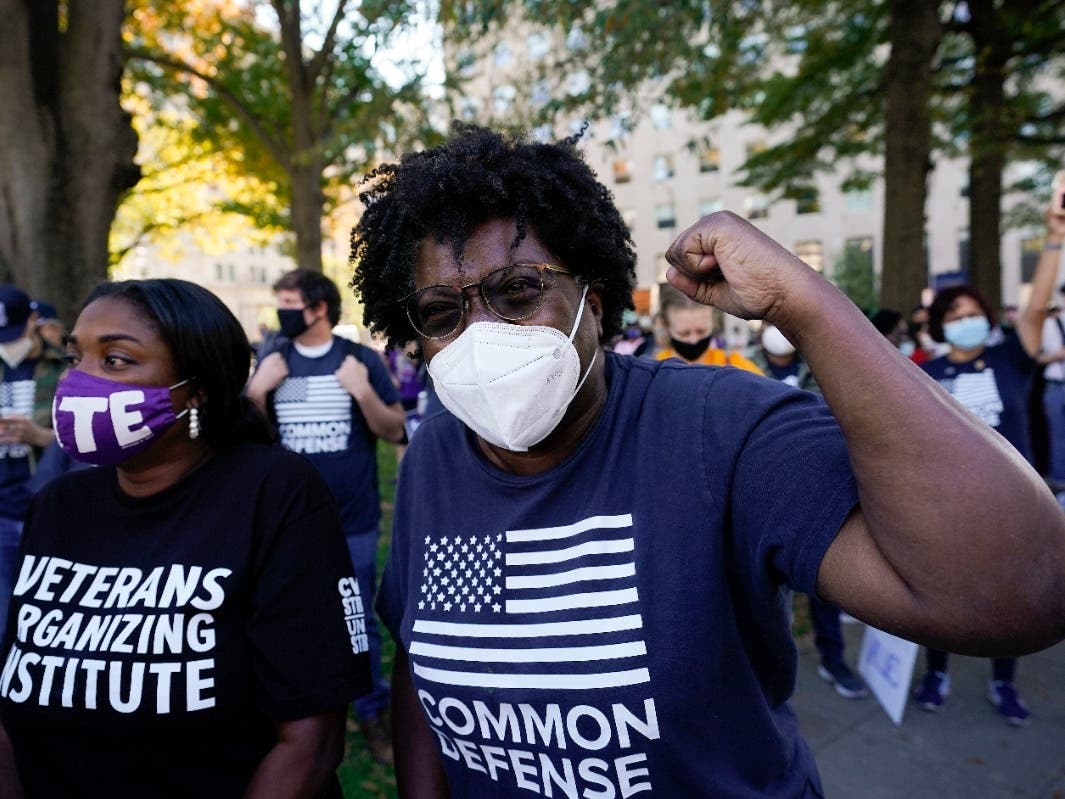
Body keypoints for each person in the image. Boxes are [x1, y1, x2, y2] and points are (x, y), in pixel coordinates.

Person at [349, 124, 1065, 798]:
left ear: (593, 304)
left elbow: (1016, 591)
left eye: (517, 291)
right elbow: (420, 665)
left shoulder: (718, 427)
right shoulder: (435, 455)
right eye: (442, 311)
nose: (481, 333)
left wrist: (805, 304)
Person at [0, 278, 369, 797]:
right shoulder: (58, 506)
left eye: (116, 361)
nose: (80, 381)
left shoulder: (275, 494)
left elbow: (310, 740)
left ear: (195, 389)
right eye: (74, 358)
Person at [911, 207, 1065, 726]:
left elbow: (1038, 307)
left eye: (971, 312)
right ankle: (936, 672)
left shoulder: (1010, 360)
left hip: (1014, 507)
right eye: (952, 316)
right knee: (942, 597)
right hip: (946, 509)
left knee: (1011, 599)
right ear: (938, 325)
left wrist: (1053, 240)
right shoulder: (924, 374)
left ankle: (1004, 681)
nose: (963, 321)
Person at [245, 268, 404, 764]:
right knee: (282, 616)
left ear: (318, 308)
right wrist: (256, 391)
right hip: (285, 523)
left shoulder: (358, 358)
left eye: (290, 301)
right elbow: (244, 439)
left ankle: (372, 709)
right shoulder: (273, 358)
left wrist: (361, 391)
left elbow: (395, 429)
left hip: (350, 521)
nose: (281, 311)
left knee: (356, 621)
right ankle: (294, 713)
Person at [749, 325, 867, 699]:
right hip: (756, 494)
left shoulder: (816, 367)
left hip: (810, 492)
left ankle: (833, 660)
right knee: (756, 596)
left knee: (824, 588)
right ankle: (759, 675)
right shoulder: (742, 365)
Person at [0, 286, 65, 640]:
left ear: (32, 321)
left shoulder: (62, 368)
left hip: (47, 505)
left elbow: (86, 442)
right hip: (2, 508)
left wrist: (39, 437)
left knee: (46, 614)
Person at [654, 284, 763, 374]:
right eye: (684, 333)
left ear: (713, 322)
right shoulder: (653, 372)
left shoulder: (737, 367)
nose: (694, 340)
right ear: (666, 326)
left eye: (702, 331)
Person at [1038, 286, 1065, 491]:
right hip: (1056, 385)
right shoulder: (1050, 324)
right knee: (1058, 436)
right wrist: (1056, 355)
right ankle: (1060, 481)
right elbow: (1036, 358)